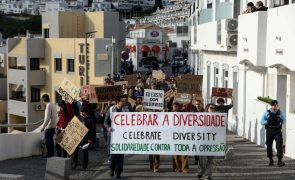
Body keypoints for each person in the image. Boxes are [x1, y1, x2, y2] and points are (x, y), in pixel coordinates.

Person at [104, 96, 127, 178]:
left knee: (120, 154)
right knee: (112, 153)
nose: (124, 102)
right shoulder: (111, 109)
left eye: (125, 101)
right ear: (118, 102)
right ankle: (112, 169)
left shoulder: (126, 110)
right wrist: (108, 128)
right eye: (123, 101)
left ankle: (118, 171)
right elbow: (106, 121)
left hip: (122, 136)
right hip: (112, 135)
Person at [261, 100, 286, 167]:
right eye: (273, 105)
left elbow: (284, 121)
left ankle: (279, 161)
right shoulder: (266, 113)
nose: (275, 106)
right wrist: (267, 121)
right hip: (270, 130)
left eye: (276, 105)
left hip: (277, 131)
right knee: (269, 146)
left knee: (279, 145)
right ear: (271, 105)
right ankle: (270, 159)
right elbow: (262, 121)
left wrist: (280, 119)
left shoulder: (280, 112)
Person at [72, 106, 94, 170]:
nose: (81, 113)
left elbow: (92, 130)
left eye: (83, 112)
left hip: (85, 138)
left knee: (85, 152)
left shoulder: (89, 119)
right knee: (75, 151)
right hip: (77, 137)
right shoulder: (78, 117)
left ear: (86, 112)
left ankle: (85, 165)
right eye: (81, 112)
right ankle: (75, 164)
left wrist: (90, 139)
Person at [198, 104, 216, 180]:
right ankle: (201, 171)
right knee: (202, 159)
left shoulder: (218, 118)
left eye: (214, 108)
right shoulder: (202, 117)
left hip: (213, 142)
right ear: (207, 109)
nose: (212, 110)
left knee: (210, 160)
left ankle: (208, 175)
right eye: (211, 108)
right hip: (203, 141)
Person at [171, 102, 189, 173]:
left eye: (176, 106)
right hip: (173, 135)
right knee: (175, 153)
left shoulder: (183, 113)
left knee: (184, 152)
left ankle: (184, 168)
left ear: (178, 107)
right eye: (174, 106)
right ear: (172, 107)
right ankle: (176, 168)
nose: (175, 107)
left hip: (182, 135)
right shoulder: (169, 114)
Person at [192, 100, 204, 165]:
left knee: (201, 146)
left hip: (203, 132)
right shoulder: (193, 112)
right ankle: (196, 159)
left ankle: (201, 159)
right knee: (196, 146)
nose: (198, 105)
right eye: (196, 104)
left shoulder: (205, 112)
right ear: (195, 105)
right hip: (195, 131)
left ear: (201, 104)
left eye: (199, 104)